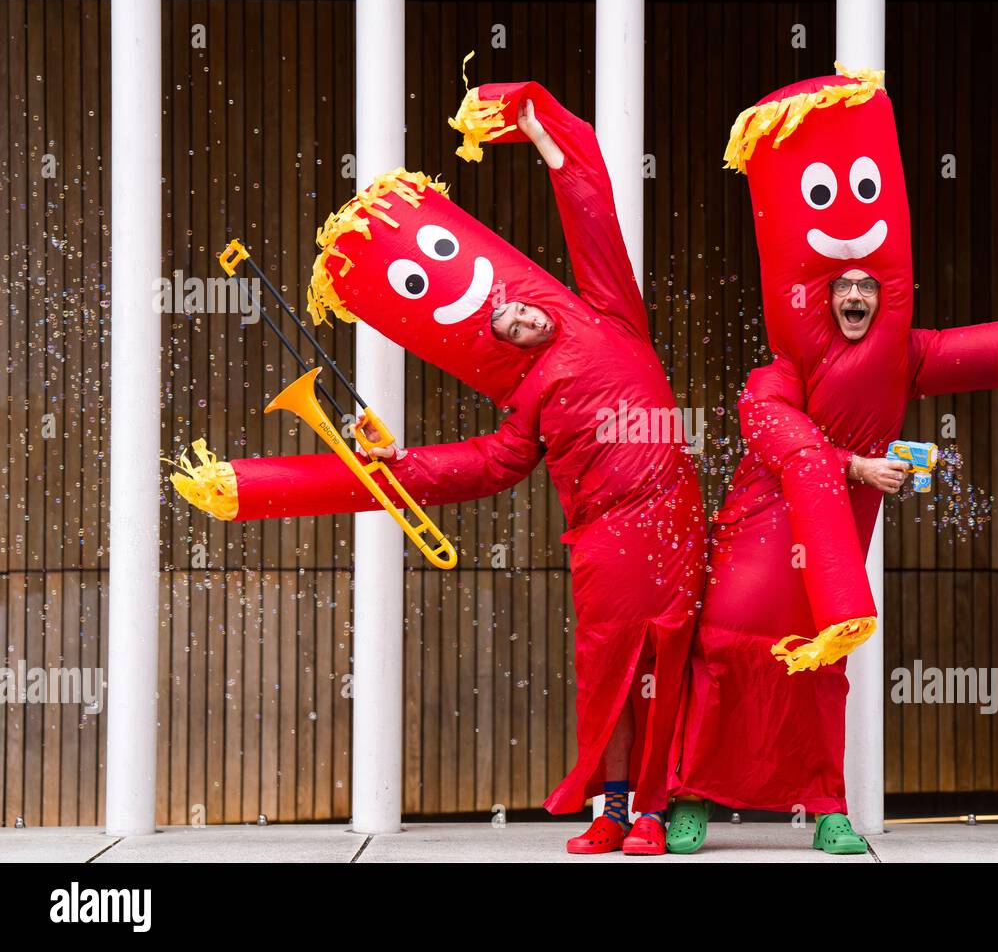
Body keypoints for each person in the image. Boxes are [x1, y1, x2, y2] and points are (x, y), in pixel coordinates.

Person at [172, 83, 705, 857]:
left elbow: (593, 218)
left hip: (670, 517)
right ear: (509, 346)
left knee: (669, 664)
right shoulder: (529, 396)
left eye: (520, 308)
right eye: (508, 326)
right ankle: (615, 807)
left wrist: (547, 142)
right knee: (607, 677)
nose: (520, 318)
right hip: (599, 541)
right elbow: (490, 464)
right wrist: (401, 461)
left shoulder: (610, 312)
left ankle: (657, 808)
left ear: (534, 299)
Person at [667, 68, 998, 855]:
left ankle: (824, 806)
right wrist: (853, 469)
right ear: (824, 299)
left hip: (835, 547)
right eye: (842, 289)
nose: (855, 295)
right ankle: (691, 796)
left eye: (867, 287)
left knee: (822, 673)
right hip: (761, 529)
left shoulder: (905, 357)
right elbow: (770, 426)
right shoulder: (779, 372)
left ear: (880, 296)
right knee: (726, 650)